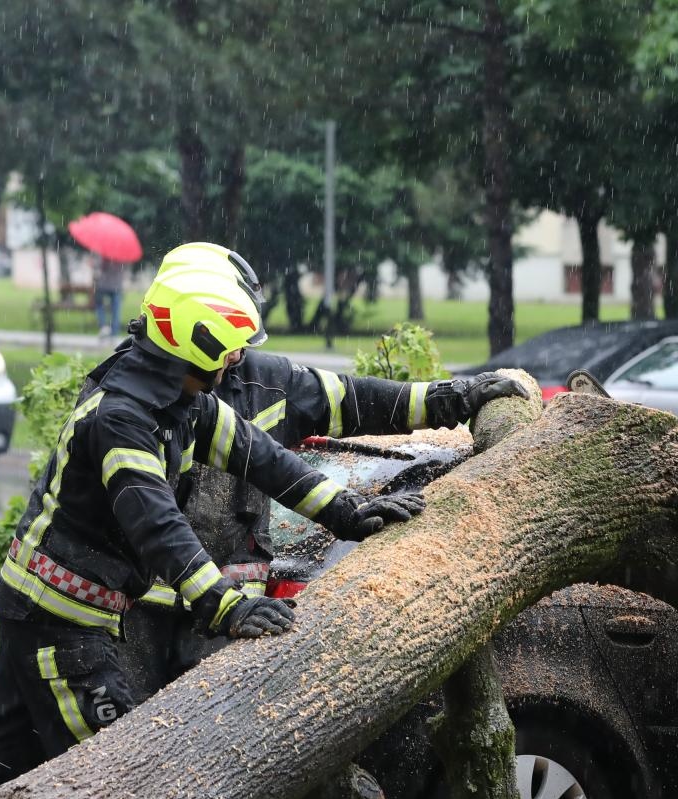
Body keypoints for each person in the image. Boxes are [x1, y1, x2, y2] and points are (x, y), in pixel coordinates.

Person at [0, 263, 426, 799]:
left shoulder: (177, 398)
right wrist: (225, 606)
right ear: (199, 341)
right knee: (117, 780)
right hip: (59, 624)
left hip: (51, 612)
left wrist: (348, 512)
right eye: (233, 348)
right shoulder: (123, 418)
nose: (239, 359)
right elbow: (158, 526)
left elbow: (261, 458)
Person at [115, 242, 530, 705]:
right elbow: (148, 518)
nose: (235, 354)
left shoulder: (267, 383)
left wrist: (451, 398)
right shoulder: (129, 399)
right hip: (135, 616)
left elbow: (354, 400)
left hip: (231, 623)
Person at [92, 253, 127, 337]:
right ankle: (114, 331)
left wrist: (95, 263)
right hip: (116, 286)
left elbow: (98, 267)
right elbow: (124, 268)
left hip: (103, 285)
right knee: (116, 309)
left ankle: (103, 326)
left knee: (99, 305)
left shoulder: (104, 254)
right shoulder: (122, 255)